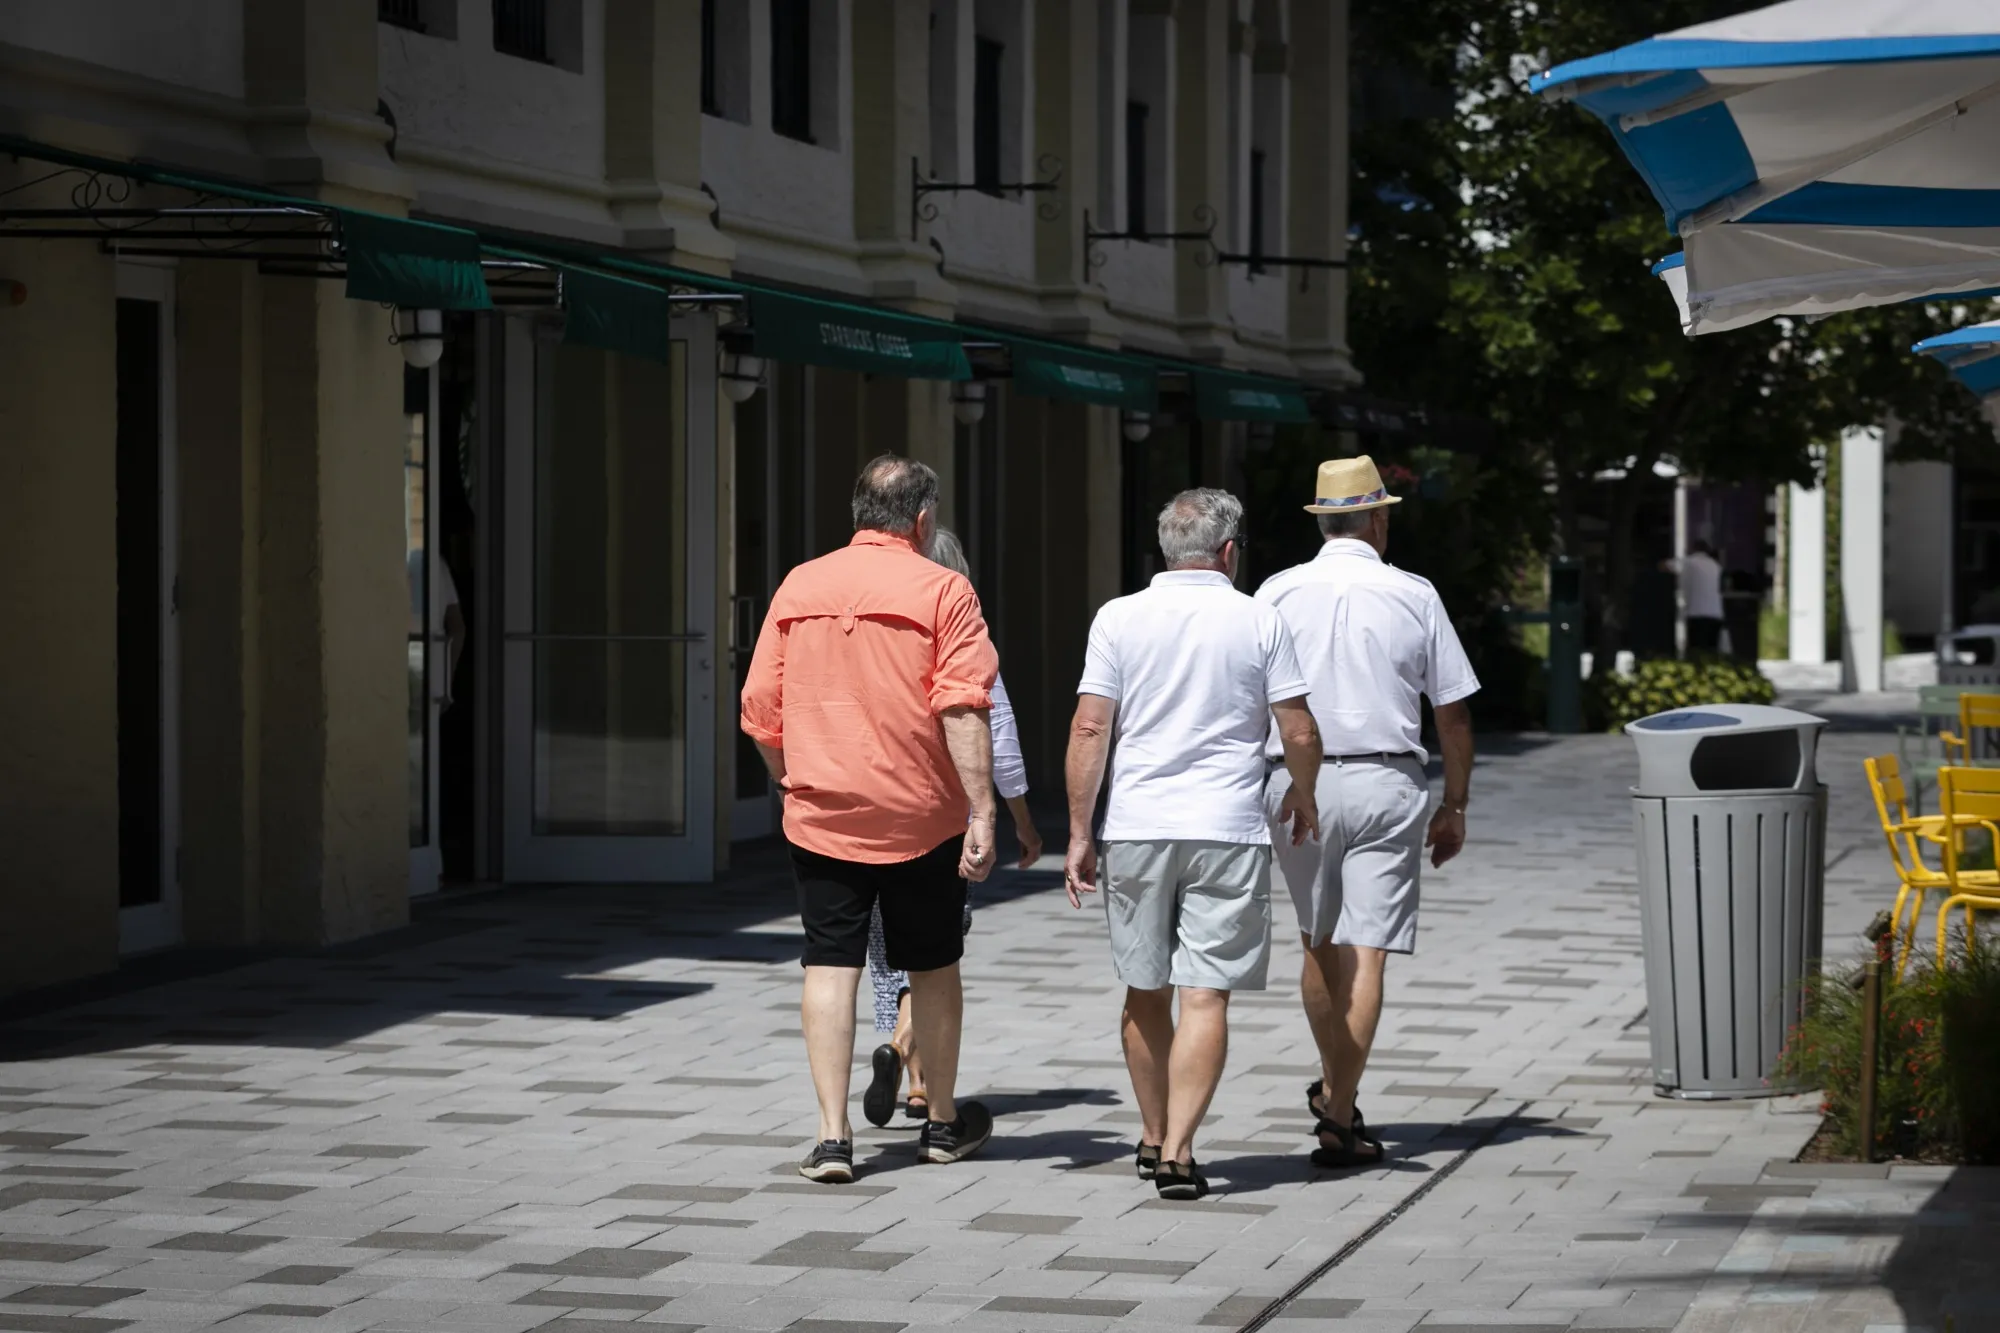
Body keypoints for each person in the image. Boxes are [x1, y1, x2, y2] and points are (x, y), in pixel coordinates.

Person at [740, 456, 999, 1183]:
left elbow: (760, 713)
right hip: (922, 816)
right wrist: (982, 809)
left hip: (823, 815)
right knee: (934, 965)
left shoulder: (799, 584)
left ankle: (831, 1138)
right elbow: (961, 707)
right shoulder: (946, 590)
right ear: (922, 520)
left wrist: (793, 779)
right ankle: (942, 1122)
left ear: (858, 512)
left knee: (829, 963)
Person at [1064, 488, 1323, 1200]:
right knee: (1204, 995)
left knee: (1143, 989)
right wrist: (1302, 791)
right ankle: (1180, 1149)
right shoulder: (1258, 618)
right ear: (1230, 552)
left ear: (1165, 549)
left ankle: (1151, 1133)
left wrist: (1081, 831)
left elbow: (1091, 728)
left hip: (1138, 824)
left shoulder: (1118, 617)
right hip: (1227, 827)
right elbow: (1297, 728)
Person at [1255, 456, 1478, 1169]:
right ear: (1378, 519)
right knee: (1370, 948)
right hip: (1388, 780)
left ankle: (1338, 1102)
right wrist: (1455, 804)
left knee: (1319, 941)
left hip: (1298, 781)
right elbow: (1454, 714)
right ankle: (1340, 1108)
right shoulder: (1414, 593)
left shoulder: (1277, 591)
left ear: (1323, 520)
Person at [863, 529, 1043, 1129]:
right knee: (935, 954)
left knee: (887, 955)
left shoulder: (873, 641)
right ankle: (902, 1057)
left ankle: (915, 1082)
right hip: (946, 821)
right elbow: (1003, 741)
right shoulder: (966, 641)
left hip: (872, 815)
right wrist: (1020, 820)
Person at [1680, 540, 1725, 655]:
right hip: (1715, 614)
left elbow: (1667, 566)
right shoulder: (1715, 565)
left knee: (1696, 652)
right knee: (1711, 652)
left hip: (1696, 614)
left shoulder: (1689, 562)